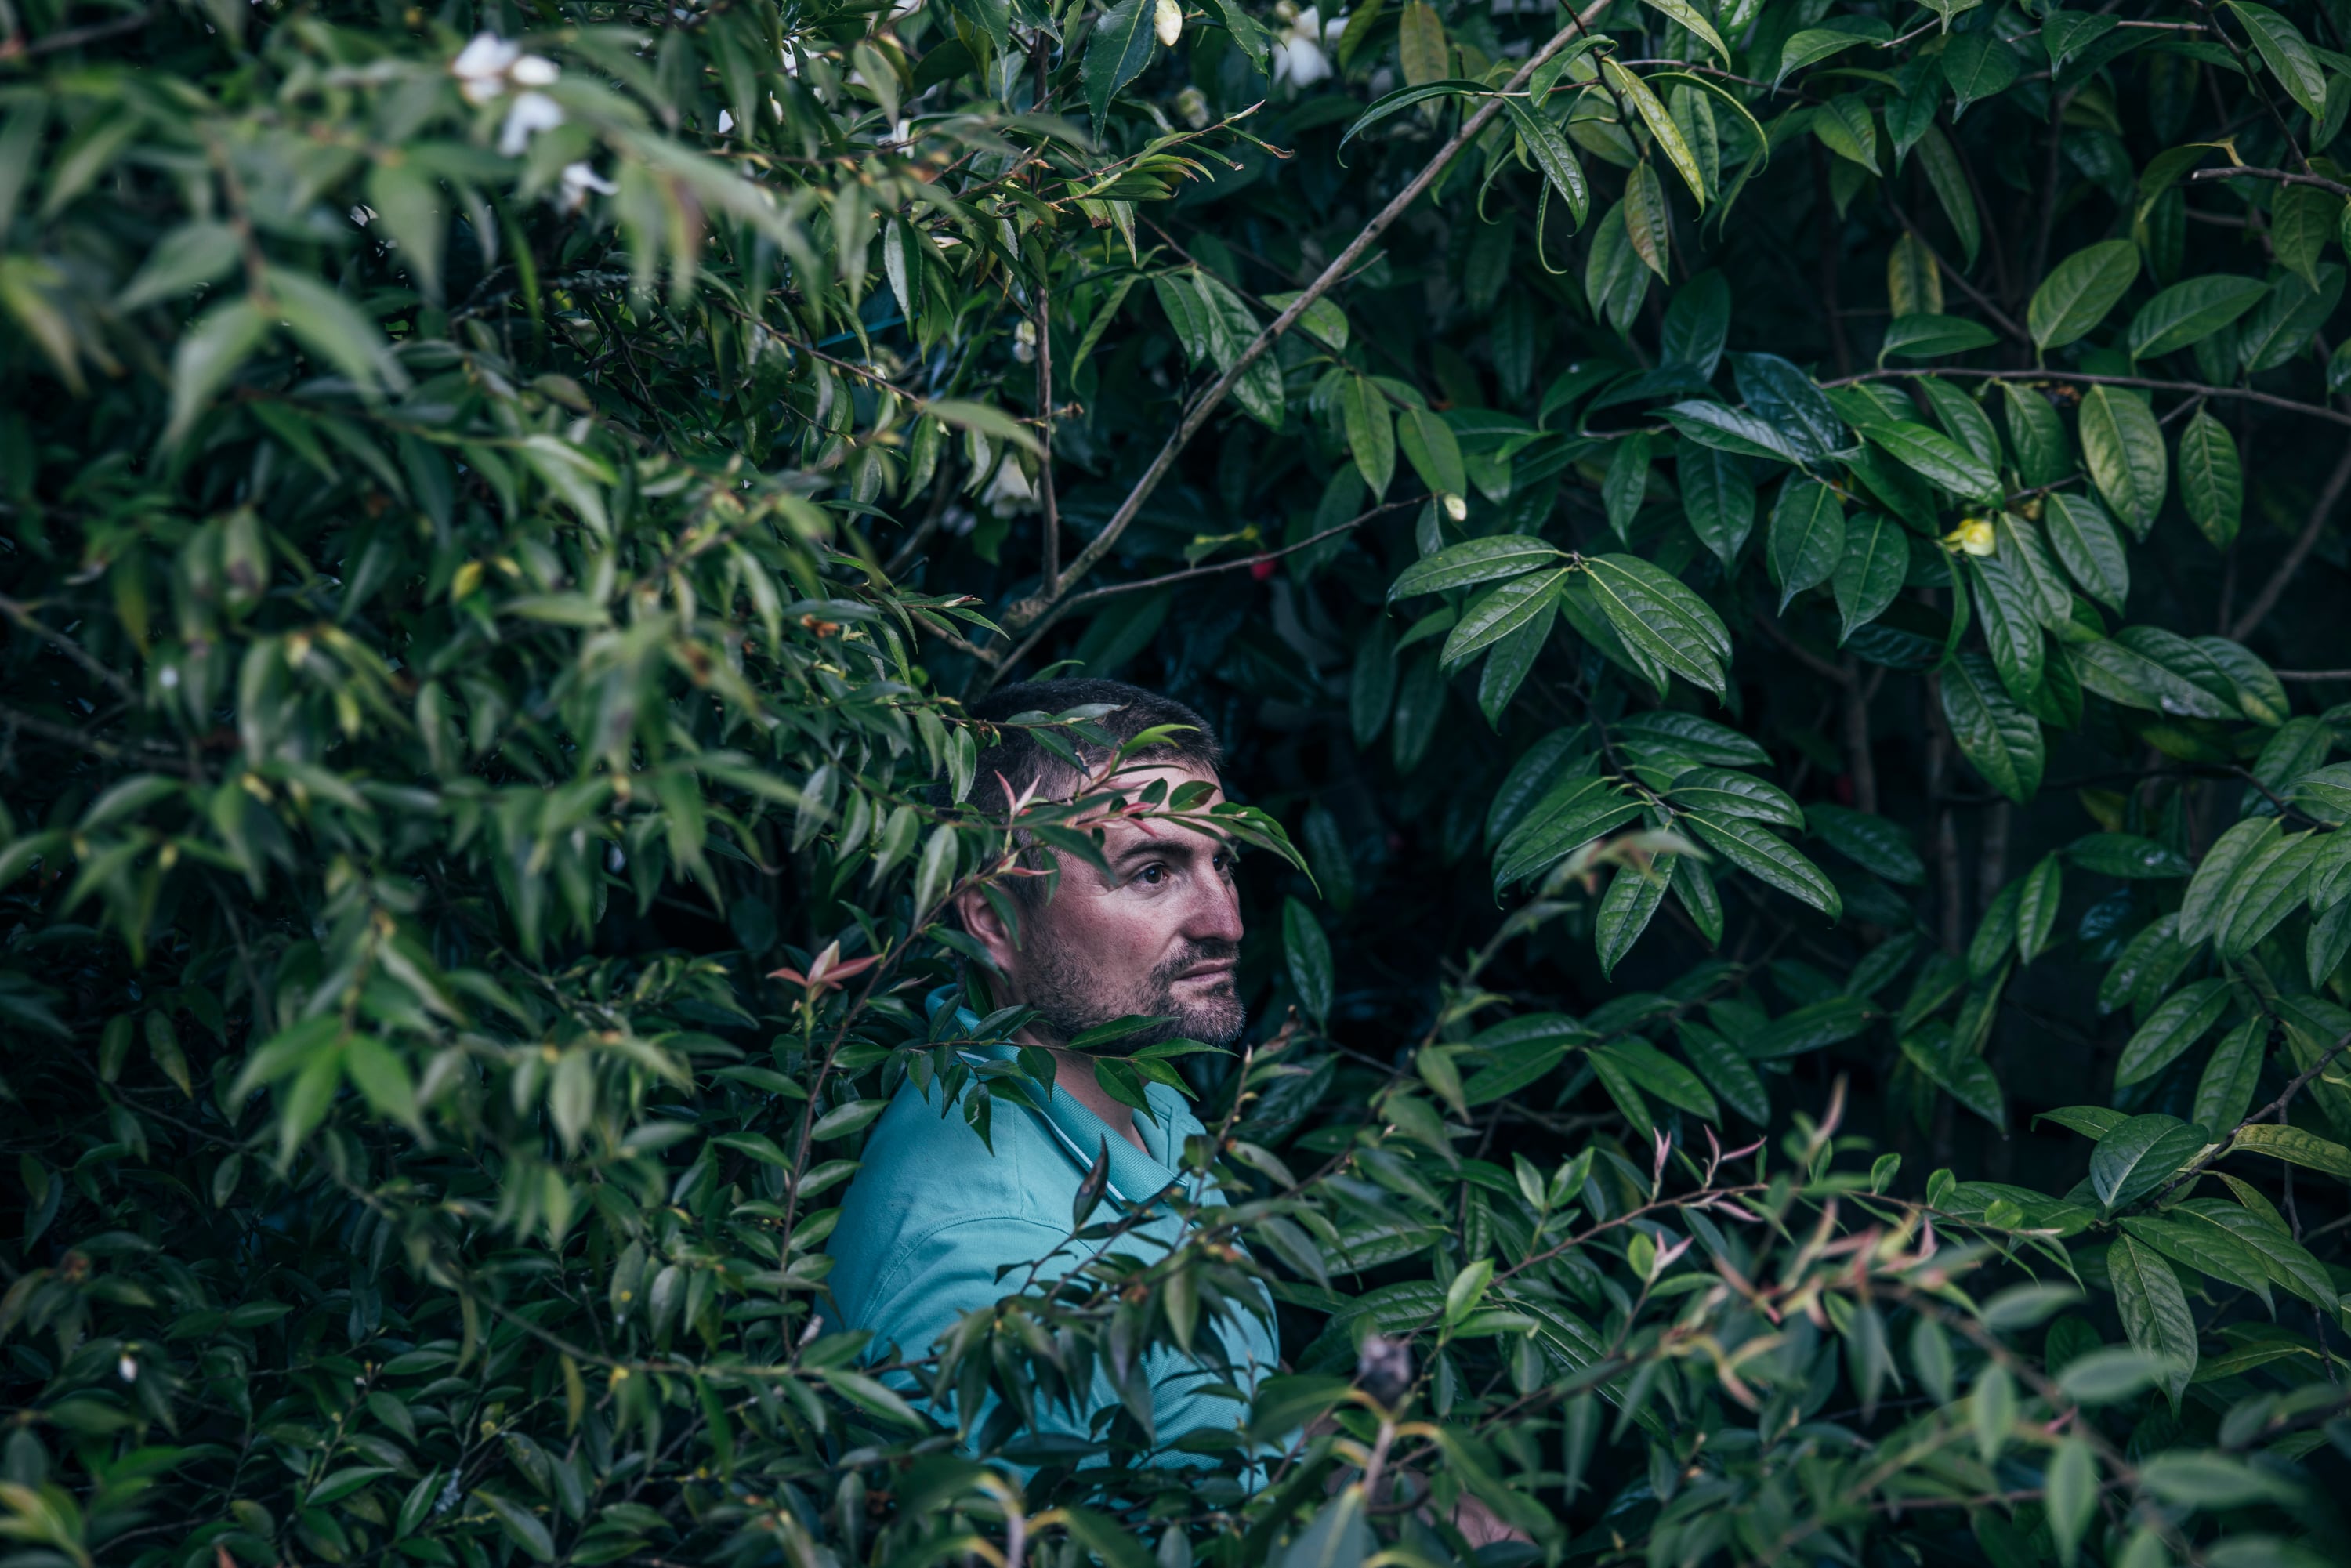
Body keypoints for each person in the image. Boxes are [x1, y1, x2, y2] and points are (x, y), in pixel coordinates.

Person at [821, 677, 1279, 1462]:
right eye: (1152, 873)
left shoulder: (1121, 1076)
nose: (1225, 923)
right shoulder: (996, 1278)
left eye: (1221, 864)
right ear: (995, 920)